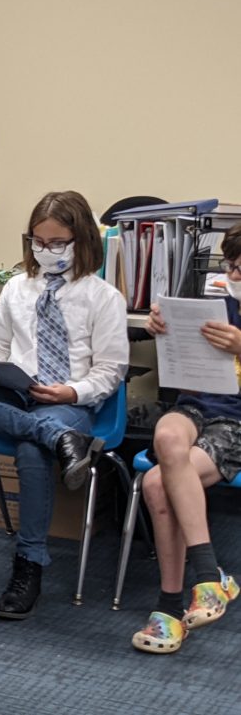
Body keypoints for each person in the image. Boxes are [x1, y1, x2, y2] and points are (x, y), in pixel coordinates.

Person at [0, 191, 128, 620]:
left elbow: (110, 371)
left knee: (32, 450)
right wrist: (2, 372)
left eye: (58, 243)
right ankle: (62, 439)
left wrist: (71, 393)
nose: (46, 251)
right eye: (38, 242)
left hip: (68, 399)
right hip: (15, 395)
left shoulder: (104, 297)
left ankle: (28, 564)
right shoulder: (15, 288)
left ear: (82, 241)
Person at [131, 222, 241, 654]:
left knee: (157, 483)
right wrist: (162, 325)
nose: (234, 276)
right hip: (196, 406)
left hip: (236, 423)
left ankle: (169, 606)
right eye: (231, 266)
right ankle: (209, 580)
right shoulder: (217, 304)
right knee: (166, 434)